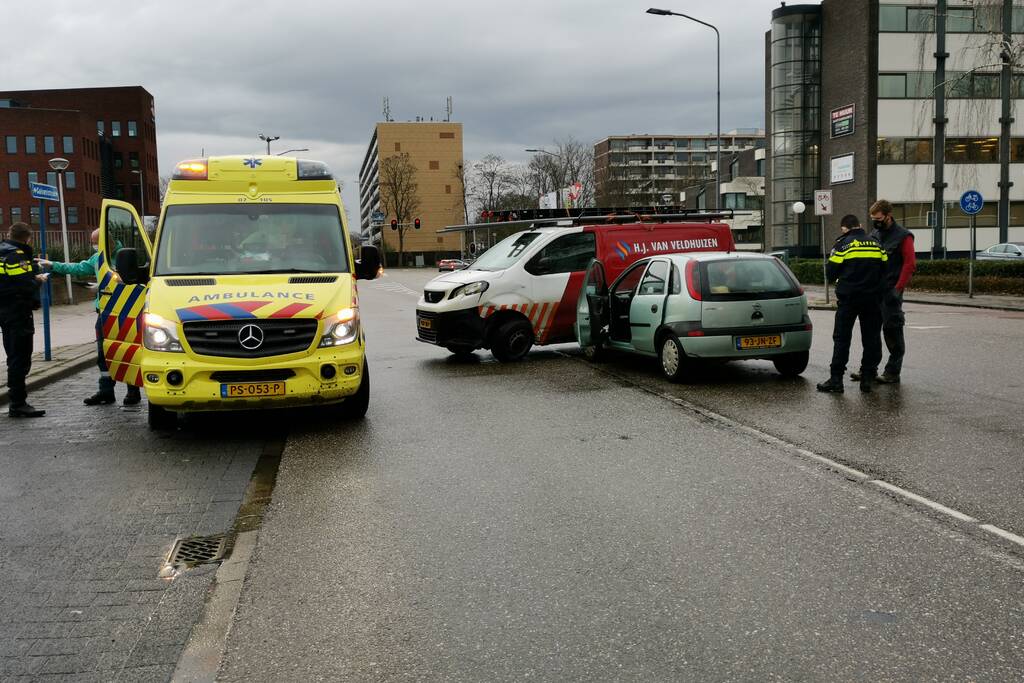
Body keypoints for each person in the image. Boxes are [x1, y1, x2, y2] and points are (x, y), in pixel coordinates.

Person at [37, 229, 142, 406]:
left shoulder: (124, 257)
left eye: (95, 242)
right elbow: (78, 267)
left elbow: (134, 281)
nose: (93, 245)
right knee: (103, 353)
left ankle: (133, 391)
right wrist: (53, 264)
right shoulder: (97, 258)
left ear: (106, 241)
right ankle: (106, 391)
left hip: (125, 312)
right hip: (104, 311)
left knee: (126, 351)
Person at [817, 214, 888, 394]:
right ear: (860, 225)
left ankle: (836, 380)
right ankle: (867, 380)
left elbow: (831, 272)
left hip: (849, 299)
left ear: (844, 228)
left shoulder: (842, 244)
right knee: (871, 339)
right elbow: (885, 270)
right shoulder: (876, 243)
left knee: (842, 339)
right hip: (872, 299)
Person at [852, 199, 916, 384]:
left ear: (889, 216)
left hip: (890, 291)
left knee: (892, 331)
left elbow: (909, 265)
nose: (876, 222)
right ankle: (869, 369)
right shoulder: (875, 233)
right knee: (872, 332)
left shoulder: (904, 236)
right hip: (874, 291)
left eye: (878, 218)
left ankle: (892, 372)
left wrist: (898, 289)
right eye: (873, 218)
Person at [1, 222, 48, 417]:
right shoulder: (18, 255)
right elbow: (24, 285)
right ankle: (18, 403)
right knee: (20, 357)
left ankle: (16, 400)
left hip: (4, 311)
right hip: (18, 311)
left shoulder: (2, 251)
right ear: (27, 238)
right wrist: (38, 279)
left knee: (13, 354)